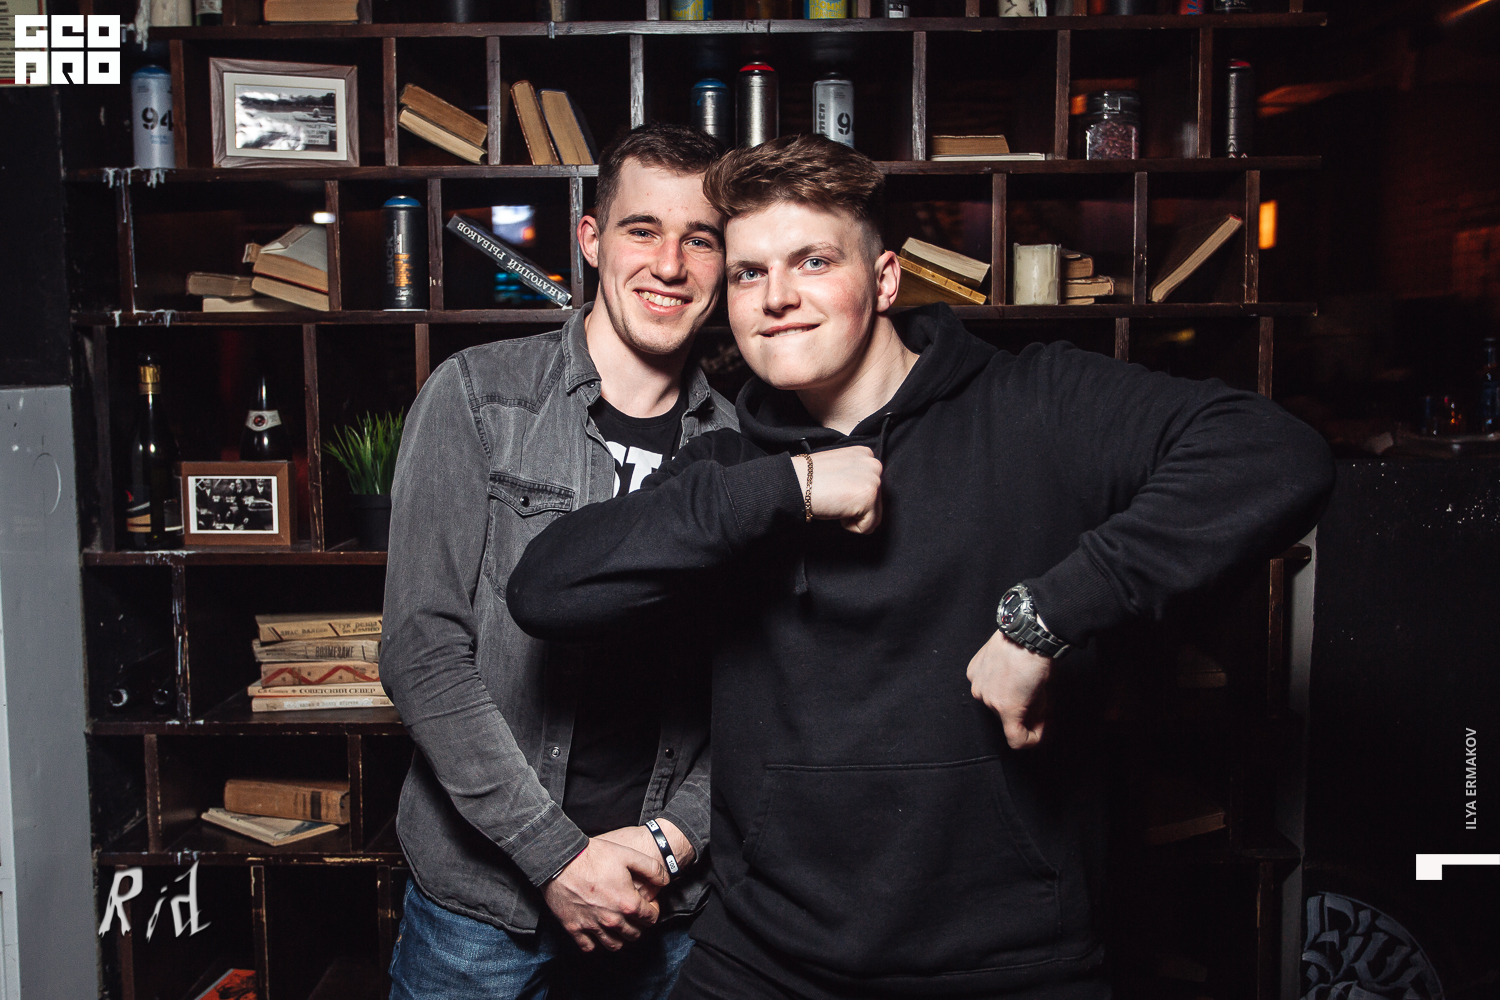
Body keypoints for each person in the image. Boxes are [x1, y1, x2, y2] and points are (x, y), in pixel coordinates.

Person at [507, 135, 1335, 999]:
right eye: (749, 273)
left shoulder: (1034, 404)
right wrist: (792, 488)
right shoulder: (730, 468)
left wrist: (1047, 618)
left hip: (1010, 964)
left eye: (814, 260)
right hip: (764, 958)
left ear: (886, 280)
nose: (777, 296)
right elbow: (547, 589)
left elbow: (1276, 455)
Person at [381, 122, 736, 1000]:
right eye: (642, 229)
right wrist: (557, 857)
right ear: (591, 239)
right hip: (480, 912)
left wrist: (667, 845)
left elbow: (760, 692)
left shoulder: (743, 448)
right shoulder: (479, 396)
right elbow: (422, 651)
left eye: (701, 239)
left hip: (663, 906)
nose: (670, 264)